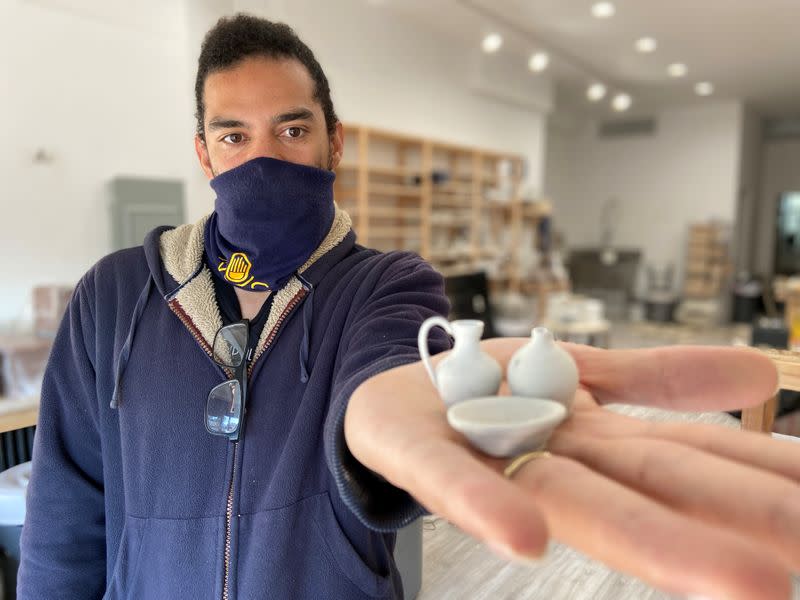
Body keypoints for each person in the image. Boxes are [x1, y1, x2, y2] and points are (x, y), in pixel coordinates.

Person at [16, 13, 800, 600]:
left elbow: (391, 370)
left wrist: (399, 412)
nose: (262, 158)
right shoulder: (114, 298)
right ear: (203, 152)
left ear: (335, 142)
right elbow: (64, 519)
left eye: (291, 129)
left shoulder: (389, 286)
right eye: (233, 135)